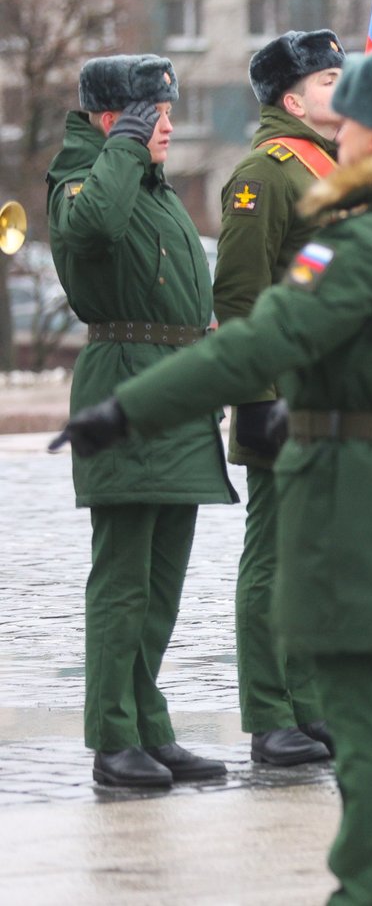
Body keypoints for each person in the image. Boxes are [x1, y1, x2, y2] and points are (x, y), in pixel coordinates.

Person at [59, 45, 372, 905]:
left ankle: (367, 894)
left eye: (353, 114)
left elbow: (258, 338)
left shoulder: (363, 238)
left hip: (358, 484)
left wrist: (129, 410)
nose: (340, 127)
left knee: (371, 731)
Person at [46, 54, 238, 789]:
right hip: (124, 386)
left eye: (165, 111)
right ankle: (112, 737)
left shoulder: (151, 187)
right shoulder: (80, 182)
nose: (166, 125)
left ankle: (148, 724)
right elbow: (92, 230)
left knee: (162, 584)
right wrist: (121, 151)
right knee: (122, 581)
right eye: (149, 113)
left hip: (176, 393)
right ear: (108, 120)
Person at [216, 29, 345, 768]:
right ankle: (270, 713)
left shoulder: (334, 168)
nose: (345, 89)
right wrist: (255, 396)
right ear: (292, 99)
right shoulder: (266, 174)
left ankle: (311, 701)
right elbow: (239, 293)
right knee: (273, 559)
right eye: (329, 81)